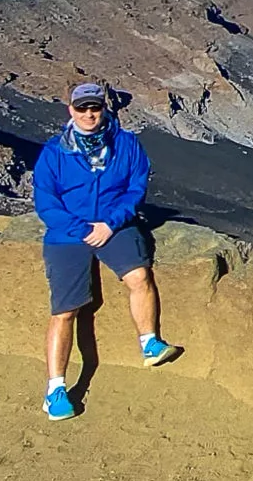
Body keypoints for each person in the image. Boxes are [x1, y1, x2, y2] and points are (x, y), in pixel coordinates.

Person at [31, 79, 180, 421]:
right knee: (65, 311)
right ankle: (55, 390)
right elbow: (46, 202)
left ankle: (150, 342)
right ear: (71, 111)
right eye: (81, 108)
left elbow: (135, 187)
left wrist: (111, 224)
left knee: (139, 275)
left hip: (114, 225)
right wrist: (83, 230)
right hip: (69, 233)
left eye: (94, 107)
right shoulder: (54, 153)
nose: (89, 114)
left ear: (103, 109)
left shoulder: (126, 144)